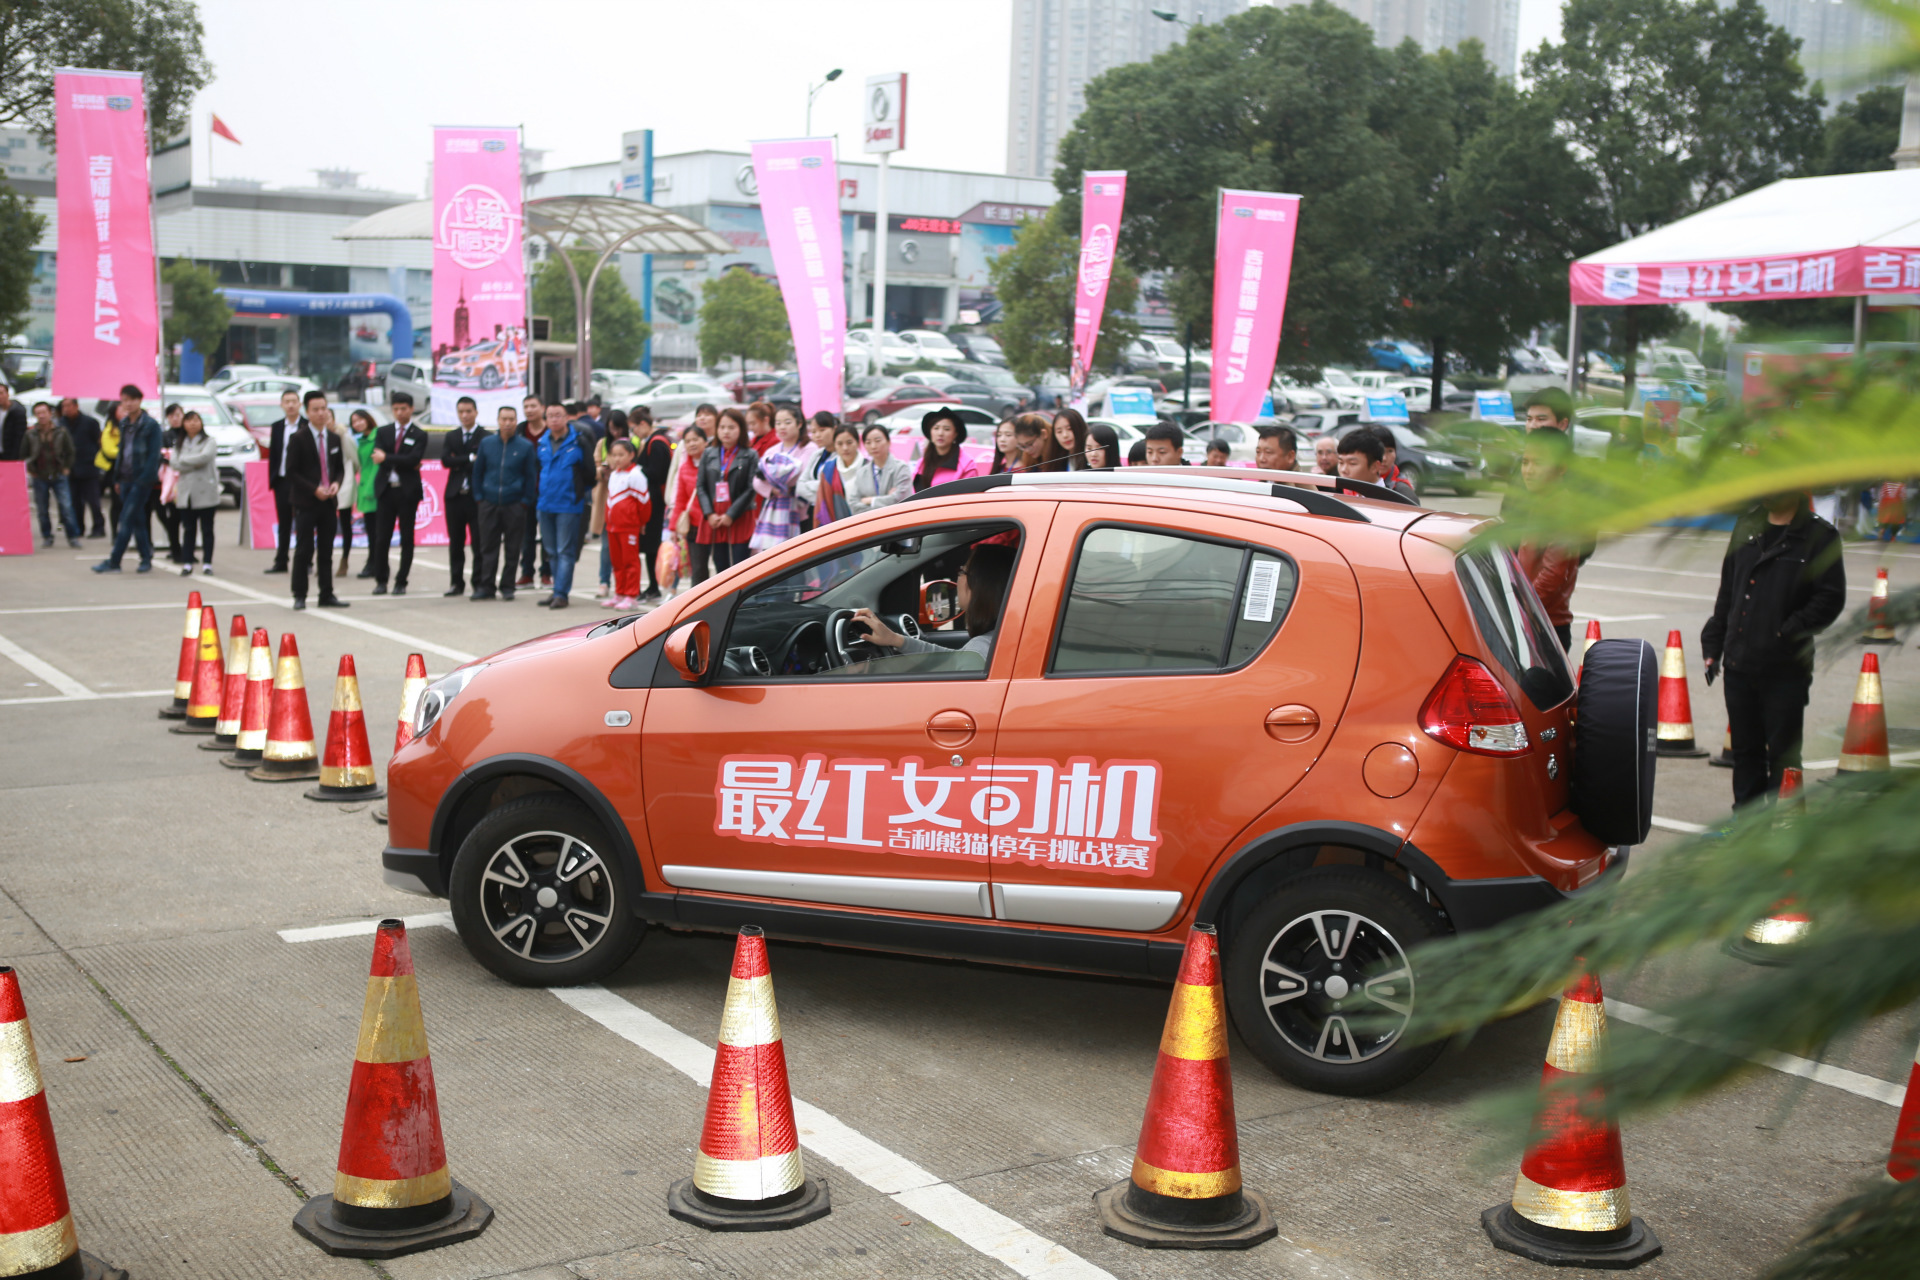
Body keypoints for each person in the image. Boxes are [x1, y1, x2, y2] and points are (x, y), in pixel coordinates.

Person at [1701, 492, 1847, 806]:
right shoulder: (1747, 526)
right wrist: (1714, 642)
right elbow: (1728, 590)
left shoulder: (1820, 536)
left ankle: (1785, 825)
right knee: (1745, 753)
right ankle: (1746, 823)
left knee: (1784, 756)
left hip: (1785, 668)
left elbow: (1830, 598)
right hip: (1739, 664)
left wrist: (1788, 630)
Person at [851, 542, 1016, 663]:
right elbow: (954, 660)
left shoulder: (981, 649)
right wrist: (896, 640)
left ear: (981, 584)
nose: (958, 577)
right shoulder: (996, 641)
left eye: (962, 571)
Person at [1511, 429, 1581, 649]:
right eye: (1525, 462)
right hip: (1536, 620)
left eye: (1538, 463)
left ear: (1561, 468)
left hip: (1545, 626)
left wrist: (1523, 608)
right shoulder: (1542, 503)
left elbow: (1554, 574)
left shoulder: (1561, 509)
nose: (1529, 471)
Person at [283, 390, 348, 610]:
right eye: (315, 409)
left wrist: (336, 483)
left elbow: (339, 468)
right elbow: (291, 471)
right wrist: (314, 489)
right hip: (306, 502)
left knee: (326, 550)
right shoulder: (298, 438)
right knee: (304, 550)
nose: (321, 413)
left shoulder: (334, 438)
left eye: (324, 409)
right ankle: (299, 594)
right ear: (307, 412)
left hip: (328, 502)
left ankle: (326, 593)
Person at [472, 405, 540, 601]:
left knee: (513, 548)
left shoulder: (525, 446)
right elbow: (478, 472)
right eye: (504, 419)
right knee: (488, 547)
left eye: (511, 419)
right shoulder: (487, 444)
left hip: (515, 505)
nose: (507, 423)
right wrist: (479, 497)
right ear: (498, 420)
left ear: (516, 421)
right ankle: (486, 586)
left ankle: (508, 586)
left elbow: (531, 477)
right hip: (489, 503)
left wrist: (525, 501)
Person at [95, 386, 162, 573]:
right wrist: (117, 478)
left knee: (126, 520)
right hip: (124, 479)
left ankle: (114, 561)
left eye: (132, 399)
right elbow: (122, 452)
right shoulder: (124, 423)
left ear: (140, 400)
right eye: (125, 400)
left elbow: (154, 456)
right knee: (137, 520)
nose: (129, 403)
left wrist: (145, 479)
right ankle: (146, 558)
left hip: (141, 480)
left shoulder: (151, 425)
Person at [367, 392, 428, 595]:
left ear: (411, 409)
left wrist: (388, 458)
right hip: (386, 491)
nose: (400, 413)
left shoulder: (419, 434)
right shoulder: (383, 432)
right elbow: (377, 457)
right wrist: (398, 460)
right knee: (382, 538)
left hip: (407, 492)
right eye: (396, 409)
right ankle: (381, 580)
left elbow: (413, 459)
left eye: (403, 409)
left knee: (407, 538)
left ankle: (401, 581)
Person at [535, 401, 593, 609]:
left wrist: (577, 494)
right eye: (550, 416)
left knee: (565, 551)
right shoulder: (542, 442)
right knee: (551, 551)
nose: (554, 419)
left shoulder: (578, 441)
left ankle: (561, 593)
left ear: (567, 417)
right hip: (545, 504)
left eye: (558, 415)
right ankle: (556, 590)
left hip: (569, 505)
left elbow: (590, 474)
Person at [697, 407, 760, 573]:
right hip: (716, 518)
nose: (726, 432)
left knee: (742, 568)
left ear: (741, 429)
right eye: (722, 427)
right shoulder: (708, 453)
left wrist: (731, 514)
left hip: (739, 517)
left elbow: (751, 488)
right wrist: (709, 514)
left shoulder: (750, 455)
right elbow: (701, 486)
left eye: (731, 427)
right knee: (721, 568)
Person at [751, 405, 817, 551]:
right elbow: (757, 480)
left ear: (799, 423)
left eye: (787, 422)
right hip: (775, 513)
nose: (782, 427)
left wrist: (771, 476)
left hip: (802, 514)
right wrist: (773, 489)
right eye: (778, 423)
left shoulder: (809, 448)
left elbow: (799, 476)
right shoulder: (772, 450)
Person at [601, 436, 651, 609]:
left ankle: (631, 595)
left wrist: (642, 522)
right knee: (617, 561)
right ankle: (620, 592)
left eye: (621, 455)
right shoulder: (614, 474)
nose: (617, 459)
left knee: (630, 561)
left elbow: (644, 503)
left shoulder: (636, 475)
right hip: (613, 525)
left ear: (631, 455)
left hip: (629, 526)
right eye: (614, 455)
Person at [441, 395, 484, 597]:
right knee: (456, 542)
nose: (465, 415)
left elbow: (481, 462)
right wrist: (469, 458)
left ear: (476, 412)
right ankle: (456, 583)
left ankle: (479, 582)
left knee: (479, 542)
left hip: (476, 497)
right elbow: (445, 461)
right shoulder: (452, 436)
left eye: (468, 411)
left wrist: (459, 460)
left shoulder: (485, 436)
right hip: (454, 495)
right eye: (461, 412)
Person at [24, 400, 82, 548]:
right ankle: (47, 536)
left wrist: (67, 467)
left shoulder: (61, 431)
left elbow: (70, 451)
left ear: (50, 413)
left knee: (66, 506)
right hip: (39, 475)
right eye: (38, 413)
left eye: (44, 412)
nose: (41, 416)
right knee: (42, 509)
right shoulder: (31, 434)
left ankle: (73, 536)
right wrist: (30, 469)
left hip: (58, 474)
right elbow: (24, 453)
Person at [169, 410, 220, 575]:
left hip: (206, 491)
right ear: (184, 424)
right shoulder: (179, 443)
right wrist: (193, 462)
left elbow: (205, 457)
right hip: (187, 493)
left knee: (207, 529)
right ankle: (187, 562)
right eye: (189, 420)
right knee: (188, 529)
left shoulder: (209, 441)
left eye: (196, 420)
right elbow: (174, 463)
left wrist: (184, 460)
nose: (192, 423)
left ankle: (207, 563)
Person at [589, 409, 631, 598]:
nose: (615, 432)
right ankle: (604, 581)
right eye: (612, 428)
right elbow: (594, 467)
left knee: (626, 547)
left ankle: (625, 585)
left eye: (618, 428)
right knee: (607, 545)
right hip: (607, 497)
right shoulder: (602, 443)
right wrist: (602, 470)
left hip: (626, 499)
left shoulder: (633, 442)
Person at [263, 388, 303, 573]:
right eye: (287, 402)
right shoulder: (277, 426)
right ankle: (281, 561)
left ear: (299, 404)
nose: (291, 405)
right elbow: (274, 454)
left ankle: (305, 561)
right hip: (281, 480)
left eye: (294, 401)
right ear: (281, 405)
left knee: (303, 523)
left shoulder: (306, 425)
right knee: (284, 523)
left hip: (302, 482)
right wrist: (272, 479)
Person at [636, 408, 673, 600]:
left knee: (653, 547)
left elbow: (657, 473)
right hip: (656, 502)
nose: (635, 433)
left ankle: (655, 586)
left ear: (643, 424)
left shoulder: (656, 443)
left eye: (634, 428)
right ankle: (653, 585)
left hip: (656, 503)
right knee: (651, 547)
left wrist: (639, 469)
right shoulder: (657, 440)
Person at [671, 423, 710, 585]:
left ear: (705, 441)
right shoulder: (684, 468)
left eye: (695, 439)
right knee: (698, 569)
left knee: (724, 569)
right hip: (694, 525)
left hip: (714, 523)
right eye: (687, 441)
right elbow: (680, 499)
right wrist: (673, 527)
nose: (692, 444)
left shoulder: (714, 463)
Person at [60, 399, 105, 537]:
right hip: (71, 468)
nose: (66, 409)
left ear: (76, 406)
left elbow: (98, 442)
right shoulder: (61, 423)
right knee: (75, 501)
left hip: (89, 466)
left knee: (93, 501)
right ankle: (79, 528)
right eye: (64, 406)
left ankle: (99, 528)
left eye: (69, 406)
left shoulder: (89, 422)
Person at [800, 423, 859, 527]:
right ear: (835, 445)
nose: (845, 448)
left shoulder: (866, 467)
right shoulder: (829, 468)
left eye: (849, 443)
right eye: (840, 444)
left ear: (857, 443)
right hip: (835, 526)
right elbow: (822, 503)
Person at [912, 408, 983, 491]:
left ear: (955, 434)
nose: (940, 433)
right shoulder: (922, 463)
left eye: (947, 429)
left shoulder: (967, 465)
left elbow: (969, 494)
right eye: (936, 428)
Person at [848, 423, 912, 511]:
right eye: (868, 442)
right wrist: (888, 499)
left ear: (888, 442)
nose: (873, 446)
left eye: (878, 441)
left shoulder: (901, 468)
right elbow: (853, 505)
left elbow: (901, 499)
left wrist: (870, 501)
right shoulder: (861, 473)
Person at [519, 392, 547, 587]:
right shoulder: (520, 431)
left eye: (533, 406)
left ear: (542, 408)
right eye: (526, 407)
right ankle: (527, 573)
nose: (529, 410)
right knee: (526, 535)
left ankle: (547, 572)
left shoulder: (551, 431)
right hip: (526, 491)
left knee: (547, 535)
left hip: (547, 491)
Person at [333, 409, 365, 578]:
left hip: (344, 485)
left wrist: (348, 477)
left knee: (345, 523)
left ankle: (344, 559)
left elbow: (356, 461)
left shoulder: (344, 437)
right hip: (323, 487)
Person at [153, 403, 186, 566]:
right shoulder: (164, 436)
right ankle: (175, 548)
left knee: (186, 518)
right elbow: (160, 455)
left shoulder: (188, 435)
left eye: (178, 415)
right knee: (169, 516)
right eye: (172, 415)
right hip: (168, 483)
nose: (175, 418)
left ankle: (186, 549)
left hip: (186, 481)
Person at [0, 383, 25, 461]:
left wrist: (15, 457)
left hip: (10, 454)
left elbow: (19, 437)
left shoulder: (17, 412)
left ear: (7, 394)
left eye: (1, 393)